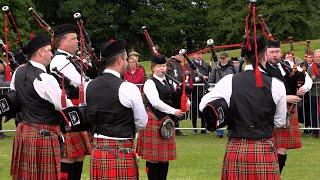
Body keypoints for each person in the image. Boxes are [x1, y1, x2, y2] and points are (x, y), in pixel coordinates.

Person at [200, 35, 286, 179]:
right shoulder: (277, 84)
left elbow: (204, 105)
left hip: (236, 148)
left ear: (244, 57)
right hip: (264, 147)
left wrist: (225, 109)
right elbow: (279, 121)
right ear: (265, 55)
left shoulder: (229, 81)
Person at [10, 34, 72, 179]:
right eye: (49, 50)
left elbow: (15, 97)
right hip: (43, 135)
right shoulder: (45, 78)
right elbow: (63, 105)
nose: (52, 54)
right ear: (40, 52)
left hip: (24, 132)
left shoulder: (18, 72)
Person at [86, 39, 147, 179]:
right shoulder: (128, 88)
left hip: (98, 150)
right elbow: (142, 122)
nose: (126, 63)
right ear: (120, 61)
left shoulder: (89, 86)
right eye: (126, 59)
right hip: (120, 149)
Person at [50, 24, 91, 180]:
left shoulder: (71, 59)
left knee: (79, 155)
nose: (77, 42)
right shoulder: (59, 61)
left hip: (78, 109)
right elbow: (80, 82)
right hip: (68, 111)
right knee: (68, 155)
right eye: (73, 39)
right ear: (62, 42)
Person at [265, 39, 312, 174]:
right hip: (267, 110)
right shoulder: (260, 68)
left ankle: (276, 175)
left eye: (277, 52)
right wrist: (284, 98)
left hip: (288, 110)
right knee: (267, 145)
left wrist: (303, 88)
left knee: (282, 146)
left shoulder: (287, 64)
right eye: (272, 52)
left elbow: (306, 77)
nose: (275, 55)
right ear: (265, 53)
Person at [137, 55, 185, 180]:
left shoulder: (168, 81)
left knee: (164, 158)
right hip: (154, 120)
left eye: (163, 66)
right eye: (159, 66)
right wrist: (173, 111)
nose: (162, 69)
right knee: (153, 159)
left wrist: (185, 101)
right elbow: (155, 102)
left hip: (165, 121)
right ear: (153, 68)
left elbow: (172, 97)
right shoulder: (149, 82)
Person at [209, 51, 238, 138]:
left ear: (227, 58)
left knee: (232, 111)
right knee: (219, 111)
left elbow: (240, 77)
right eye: (221, 58)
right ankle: (219, 131)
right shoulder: (216, 68)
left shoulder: (234, 68)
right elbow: (211, 80)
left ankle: (231, 130)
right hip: (220, 92)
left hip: (231, 92)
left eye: (223, 58)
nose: (222, 60)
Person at [191, 51, 211, 134]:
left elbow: (211, 74)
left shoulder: (206, 65)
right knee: (194, 109)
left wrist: (207, 77)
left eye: (200, 54)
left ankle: (204, 127)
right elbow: (190, 77)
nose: (199, 55)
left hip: (204, 90)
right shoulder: (190, 65)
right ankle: (194, 128)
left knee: (204, 108)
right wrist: (200, 78)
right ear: (193, 55)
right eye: (197, 54)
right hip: (194, 91)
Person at [307, 49, 320, 138]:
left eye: (319, 57)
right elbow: (306, 82)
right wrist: (311, 79)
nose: (318, 58)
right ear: (314, 58)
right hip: (314, 94)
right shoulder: (310, 68)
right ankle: (315, 131)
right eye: (316, 57)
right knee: (314, 113)